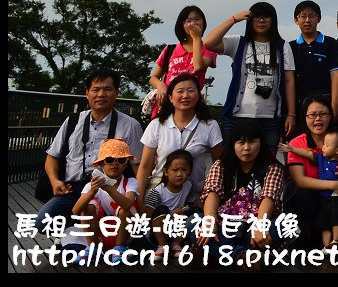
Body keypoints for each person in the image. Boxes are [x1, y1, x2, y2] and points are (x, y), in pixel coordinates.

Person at [36, 68, 144, 231]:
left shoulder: (130, 125)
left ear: (117, 93)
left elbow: (138, 166)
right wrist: (55, 181)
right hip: (72, 189)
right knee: (43, 223)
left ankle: (83, 236)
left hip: (110, 190)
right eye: (96, 89)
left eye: (107, 89)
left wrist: (138, 201)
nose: (101, 94)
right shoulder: (72, 121)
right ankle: (76, 233)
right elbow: (52, 156)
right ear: (87, 93)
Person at [204, 2, 297, 148]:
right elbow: (209, 42)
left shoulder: (283, 46)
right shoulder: (238, 42)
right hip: (237, 116)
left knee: (267, 164)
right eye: (256, 17)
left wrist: (291, 114)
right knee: (232, 161)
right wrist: (234, 19)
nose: (261, 20)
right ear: (249, 20)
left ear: (273, 20)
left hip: (270, 118)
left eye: (266, 16)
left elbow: (289, 81)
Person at [197, 119, 285, 270]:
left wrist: (260, 224)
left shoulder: (273, 167)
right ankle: (243, 257)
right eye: (240, 142)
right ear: (232, 144)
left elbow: (269, 197)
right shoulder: (221, 165)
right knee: (192, 222)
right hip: (224, 226)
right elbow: (212, 192)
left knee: (281, 226)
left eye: (252, 142)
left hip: (256, 227)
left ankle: (218, 254)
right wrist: (209, 220)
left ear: (261, 143)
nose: (246, 148)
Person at [135, 73, 223, 203]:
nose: (185, 96)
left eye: (191, 91)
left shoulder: (210, 125)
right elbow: (145, 166)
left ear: (199, 96)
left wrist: (207, 195)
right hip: (158, 196)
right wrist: (139, 199)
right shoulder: (156, 125)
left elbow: (219, 164)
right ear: (170, 97)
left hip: (193, 198)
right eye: (180, 91)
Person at [283, 96, 338, 245]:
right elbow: (300, 180)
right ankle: (306, 232)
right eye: (312, 115)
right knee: (302, 195)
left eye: (323, 114)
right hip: (313, 200)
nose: (318, 119)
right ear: (305, 117)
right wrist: (333, 185)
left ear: (331, 116)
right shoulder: (297, 143)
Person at [70, 138, 138, 264]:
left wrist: (107, 188)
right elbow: (75, 211)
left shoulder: (131, 182)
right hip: (101, 229)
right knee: (88, 206)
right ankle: (92, 248)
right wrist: (92, 191)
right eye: (109, 160)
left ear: (126, 164)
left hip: (126, 230)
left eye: (121, 160)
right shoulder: (92, 185)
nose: (114, 164)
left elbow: (128, 204)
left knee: (125, 210)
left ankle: (120, 248)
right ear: (101, 164)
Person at [146, 5, 217, 119]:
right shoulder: (170, 49)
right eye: (188, 20)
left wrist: (196, 39)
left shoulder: (208, 49)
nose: (193, 23)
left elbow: (199, 67)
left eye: (197, 19)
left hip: (191, 105)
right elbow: (153, 77)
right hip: (167, 105)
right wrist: (161, 85)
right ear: (181, 25)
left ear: (204, 23)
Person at [290, 0, 338, 121]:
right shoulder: (291, 47)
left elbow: (335, 74)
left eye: (312, 16)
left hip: (325, 103)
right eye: (303, 16)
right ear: (296, 20)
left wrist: (334, 105)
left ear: (318, 19)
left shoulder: (330, 43)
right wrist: (291, 112)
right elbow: (289, 81)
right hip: (301, 106)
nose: (307, 20)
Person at [142, 148, 196, 258]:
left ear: (190, 172)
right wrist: (172, 214)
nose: (180, 174)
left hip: (176, 230)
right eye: (175, 170)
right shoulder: (158, 192)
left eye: (184, 170)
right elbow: (148, 218)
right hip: (158, 233)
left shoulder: (188, 186)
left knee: (196, 212)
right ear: (166, 172)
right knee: (162, 209)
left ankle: (176, 244)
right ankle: (163, 246)